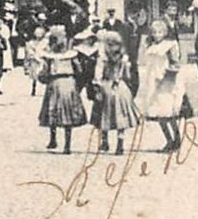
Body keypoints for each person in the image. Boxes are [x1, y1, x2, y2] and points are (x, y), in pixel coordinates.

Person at [136, 18, 185, 153]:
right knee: (158, 113)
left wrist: (166, 76)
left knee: (167, 113)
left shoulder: (169, 45)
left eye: (160, 32)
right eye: (155, 32)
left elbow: (175, 64)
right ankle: (169, 140)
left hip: (166, 82)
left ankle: (176, 139)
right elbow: (146, 63)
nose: (157, 35)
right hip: (153, 81)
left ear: (165, 32)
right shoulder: (151, 48)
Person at [37, 26, 87, 154]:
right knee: (68, 113)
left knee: (53, 110)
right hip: (69, 84)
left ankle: (53, 139)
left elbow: (44, 74)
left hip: (55, 83)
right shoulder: (71, 55)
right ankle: (67, 145)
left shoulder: (49, 57)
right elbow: (80, 70)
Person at [95, 31, 140, 155]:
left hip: (106, 86)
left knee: (104, 114)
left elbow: (98, 75)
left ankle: (105, 141)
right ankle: (120, 144)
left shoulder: (102, 58)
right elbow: (128, 76)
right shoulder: (124, 58)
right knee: (121, 116)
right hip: (120, 88)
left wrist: (98, 86)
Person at [25, 26, 46, 97]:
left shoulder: (45, 42)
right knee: (34, 75)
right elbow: (29, 51)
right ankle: (33, 89)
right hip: (34, 60)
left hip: (42, 60)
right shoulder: (31, 43)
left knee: (44, 74)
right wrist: (33, 56)